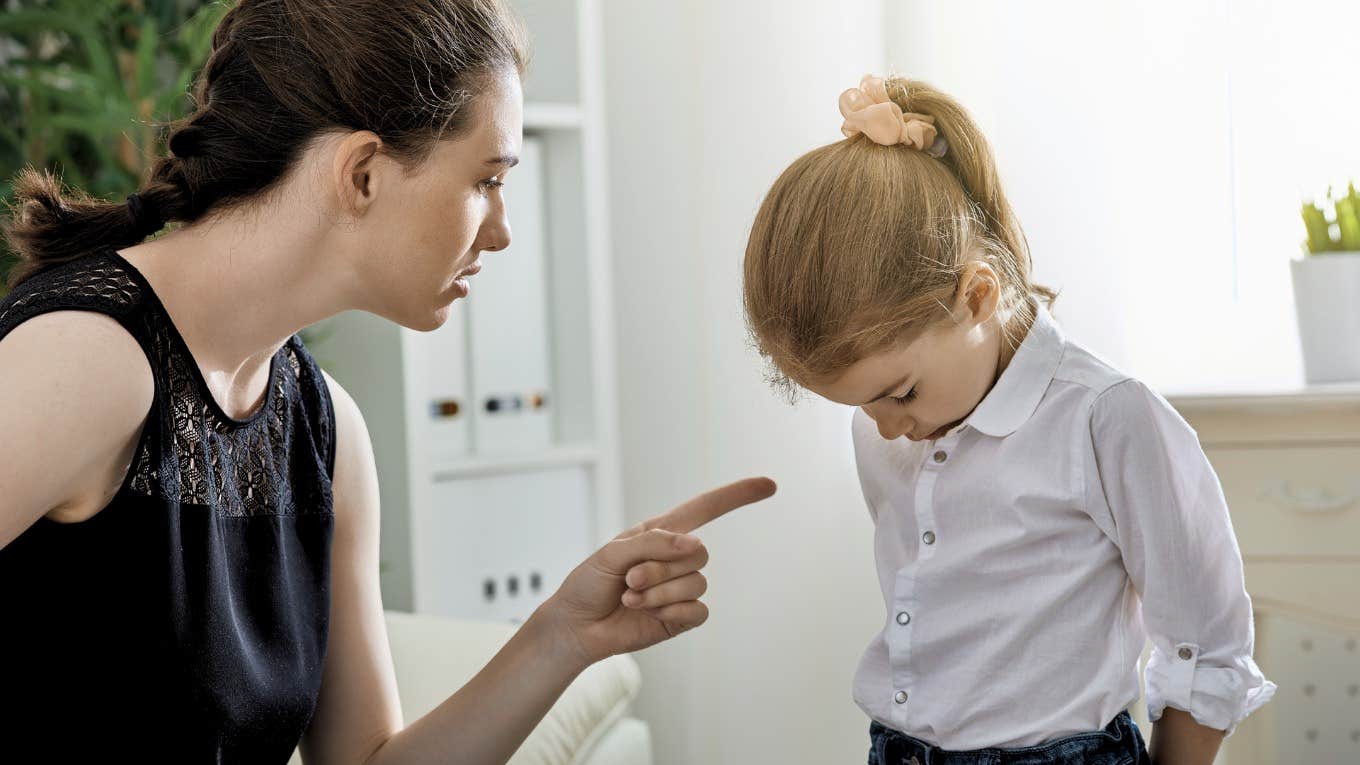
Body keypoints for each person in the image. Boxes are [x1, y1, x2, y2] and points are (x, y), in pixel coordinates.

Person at [0, 1, 775, 762]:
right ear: (363, 173)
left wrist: (562, 634)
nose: (501, 231)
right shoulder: (89, 358)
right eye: (486, 180)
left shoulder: (326, 431)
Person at [741, 74, 1274, 765]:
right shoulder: (888, 433)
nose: (882, 427)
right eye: (859, 404)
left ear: (977, 296)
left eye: (899, 392)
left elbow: (1207, 640)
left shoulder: (1106, 418)